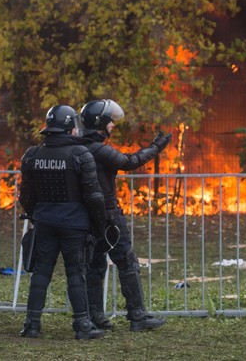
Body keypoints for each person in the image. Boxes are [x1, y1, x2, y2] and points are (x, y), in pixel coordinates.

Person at [78, 99, 171, 332]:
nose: (113, 125)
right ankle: (137, 316)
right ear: (100, 122)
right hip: (109, 216)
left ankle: (95, 315)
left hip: (87, 216)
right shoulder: (98, 149)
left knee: (95, 264)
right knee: (127, 261)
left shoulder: (78, 146)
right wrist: (155, 148)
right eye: (110, 121)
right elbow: (129, 162)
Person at [18, 105, 107, 340]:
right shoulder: (80, 155)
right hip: (74, 224)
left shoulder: (32, 155)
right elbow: (94, 196)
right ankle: (82, 326)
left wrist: (36, 214)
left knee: (41, 272)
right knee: (76, 273)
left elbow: (25, 195)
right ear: (70, 128)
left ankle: (32, 324)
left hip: (44, 222)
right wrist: (99, 226)